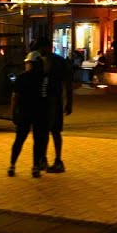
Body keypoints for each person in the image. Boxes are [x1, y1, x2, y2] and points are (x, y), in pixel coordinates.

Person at [33, 38, 74, 173]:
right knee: (52, 131)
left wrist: (68, 101)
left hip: (49, 99)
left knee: (48, 131)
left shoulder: (48, 61)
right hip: (52, 99)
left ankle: (50, 160)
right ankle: (51, 160)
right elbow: (68, 83)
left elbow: (67, 82)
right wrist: (69, 101)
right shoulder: (54, 60)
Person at [8, 51, 50, 178]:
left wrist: (13, 112)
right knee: (38, 141)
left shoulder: (21, 77)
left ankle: (12, 165)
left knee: (19, 139)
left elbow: (15, 96)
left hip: (24, 111)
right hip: (40, 111)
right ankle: (35, 167)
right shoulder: (45, 78)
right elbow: (47, 96)